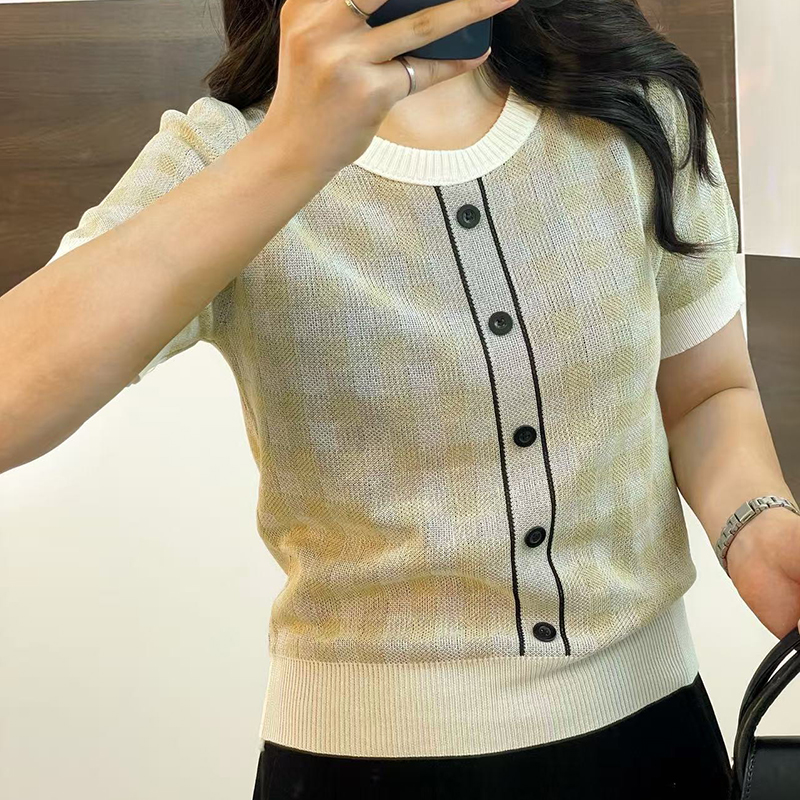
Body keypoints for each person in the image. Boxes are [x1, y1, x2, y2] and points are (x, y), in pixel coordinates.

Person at [4, 0, 800, 797]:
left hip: (658, 738)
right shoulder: (227, 153)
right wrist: (290, 151)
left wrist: (757, 529)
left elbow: (705, 392)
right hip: (353, 767)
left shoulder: (633, 102)